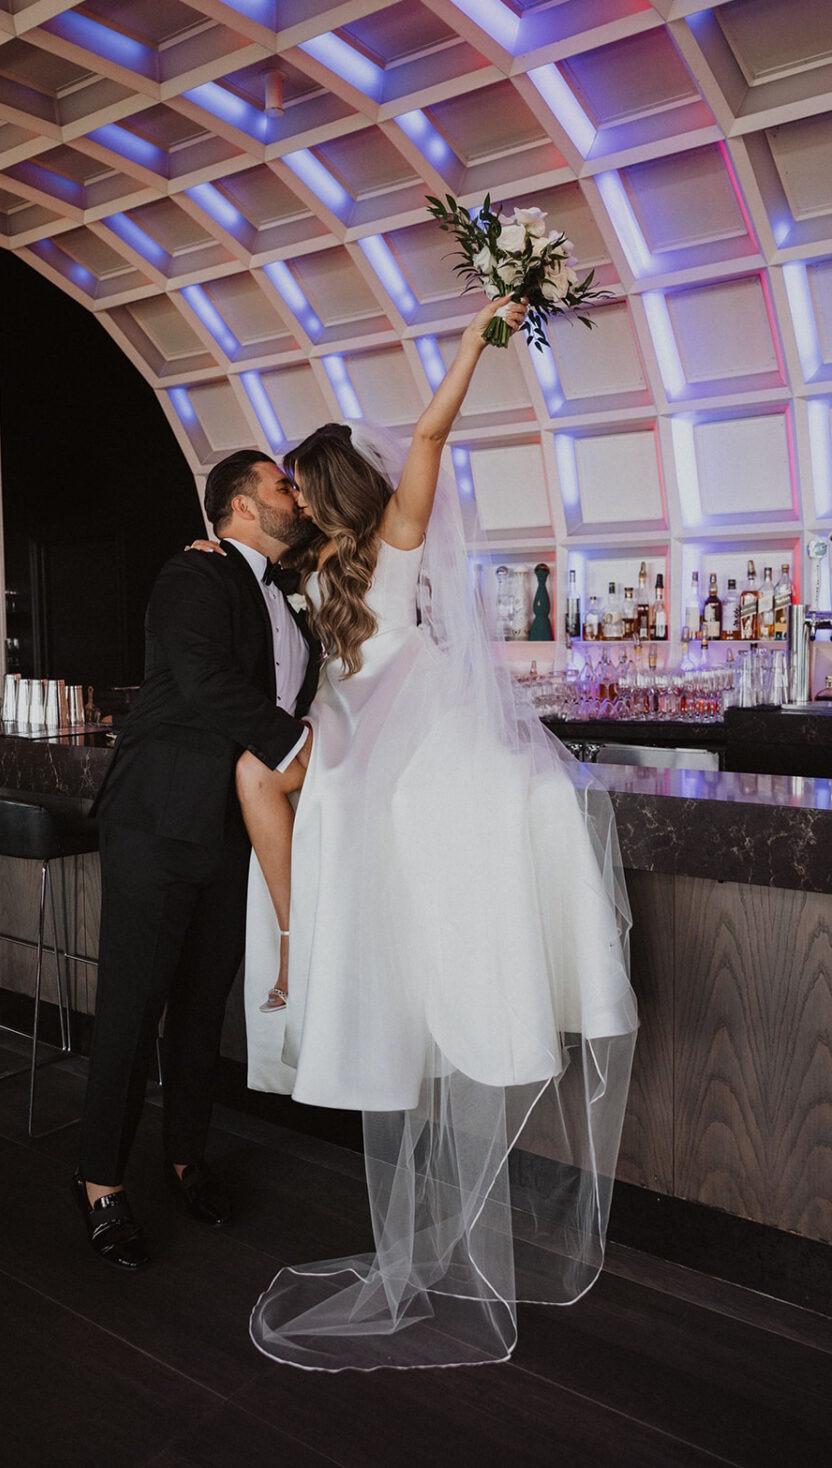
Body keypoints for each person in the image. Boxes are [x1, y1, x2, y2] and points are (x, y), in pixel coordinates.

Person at [233, 296, 640, 1369]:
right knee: (394, 906)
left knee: (393, 907)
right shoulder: (336, 564)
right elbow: (407, 450)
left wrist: (475, 339)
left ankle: (329, 993)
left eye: (296, 486)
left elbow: (427, 435)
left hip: (381, 760)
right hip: (371, 755)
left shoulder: (371, 553)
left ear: (321, 494)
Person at [73, 450, 321, 1269]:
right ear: (242, 506)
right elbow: (206, 680)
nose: (297, 495)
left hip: (232, 828)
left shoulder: (287, 591)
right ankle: (102, 1185)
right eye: (284, 485)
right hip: (157, 819)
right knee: (133, 1005)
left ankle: (186, 1157)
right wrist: (301, 749)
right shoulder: (195, 574)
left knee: (202, 1005)